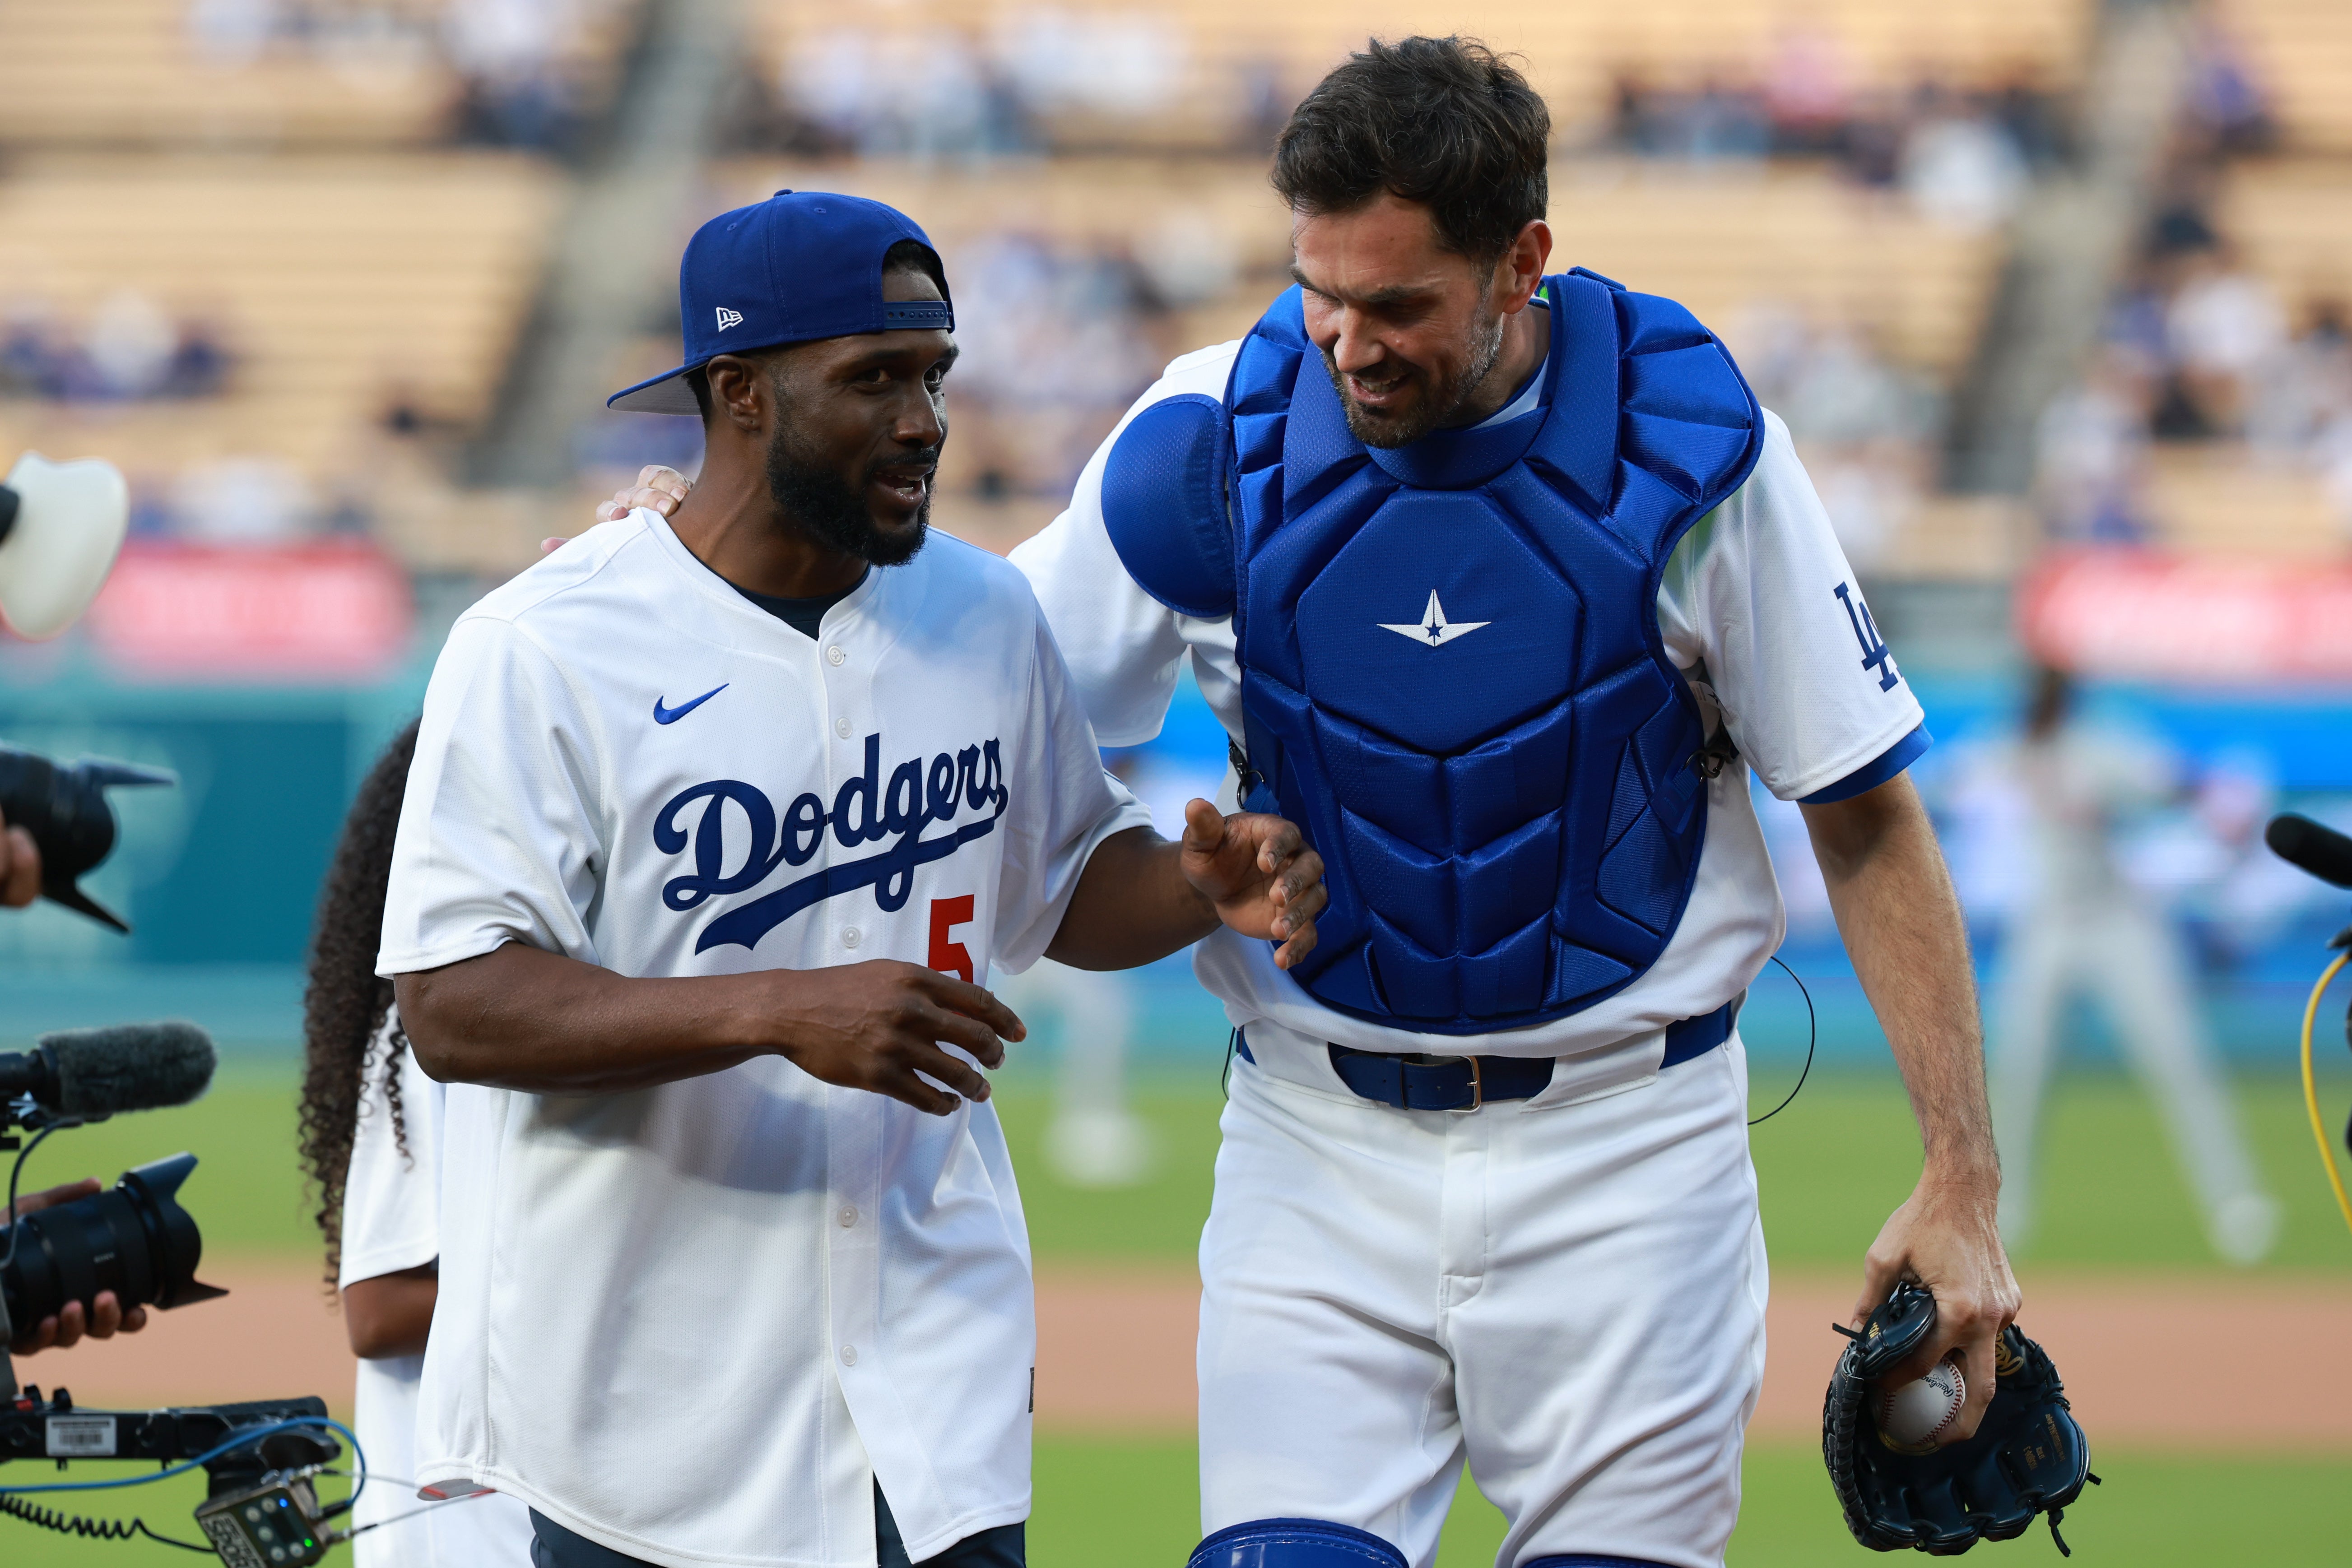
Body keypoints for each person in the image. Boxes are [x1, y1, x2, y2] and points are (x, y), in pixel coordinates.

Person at [603, 44, 2015, 1567]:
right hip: (1318, 1148)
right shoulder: (1212, 437)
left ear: (1523, 261)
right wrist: (704, 565)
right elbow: (972, 686)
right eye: (1318, 292)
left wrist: (1961, 1176)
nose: (1347, 342)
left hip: (1634, 1152)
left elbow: (1864, 813)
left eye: (1398, 303)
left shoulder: (1687, 447)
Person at [382, 191, 1325, 1568]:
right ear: (740, 394)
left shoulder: (982, 611)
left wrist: (1196, 886)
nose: (925, 419)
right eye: (873, 379)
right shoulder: (543, 647)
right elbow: (456, 1006)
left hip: (927, 1406)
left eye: (934, 374)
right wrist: (775, 1009)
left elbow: (1059, 887)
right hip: (640, 1425)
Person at [296, 719, 536, 1565]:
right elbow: (380, 1306)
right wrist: (594, 1281)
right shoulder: (419, 1046)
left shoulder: (533, 1024)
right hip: (457, 1538)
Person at [1985, 665, 2278, 1264]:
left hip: (2118, 918)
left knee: (2178, 1057)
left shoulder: (2099, 746)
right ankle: (2001, 1213)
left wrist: (2203, 801)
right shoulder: (2007, 749)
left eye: (2045, 692)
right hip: (2047, 923)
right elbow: (1940, 783)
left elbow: (2176, 782)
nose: (2037, 702)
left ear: (2061, 698)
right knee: (2019, 1071)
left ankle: (2234, 1200)